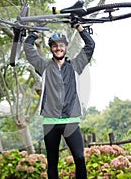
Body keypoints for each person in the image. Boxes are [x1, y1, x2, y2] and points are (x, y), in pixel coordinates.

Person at [22, 20, 95, 179]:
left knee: (80, 158)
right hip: (50, 122)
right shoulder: (44, 67)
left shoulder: (75, 65)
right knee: (52, 162)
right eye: (55, 45)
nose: (58, 48)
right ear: (51, 49)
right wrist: (34, 34)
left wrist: (79, 27)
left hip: (71, 120)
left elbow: (90, 46)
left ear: (66, 48)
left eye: (61, 45)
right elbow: (28, 49)